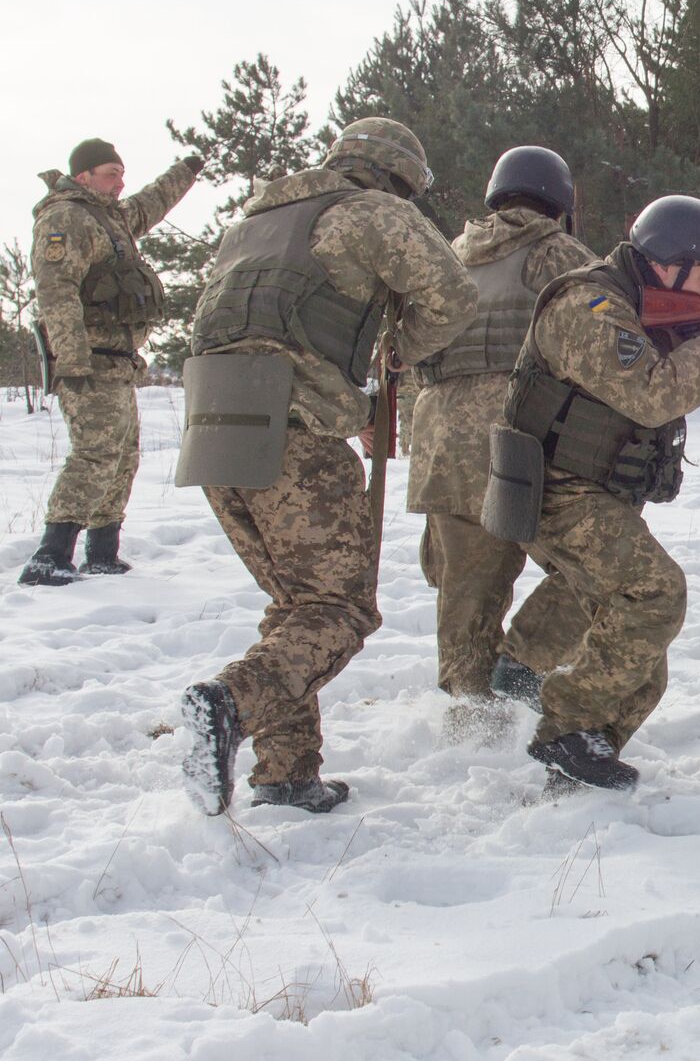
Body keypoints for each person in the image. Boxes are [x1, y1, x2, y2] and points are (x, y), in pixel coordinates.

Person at [176, 117, 476, 815]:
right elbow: (454, 296)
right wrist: (401, 351)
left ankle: (285, 772)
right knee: (340, 609)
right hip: (294, 431)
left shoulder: (254, 218)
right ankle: (228, 704)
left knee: (296, 607)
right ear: (399, 177)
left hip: (214, 427)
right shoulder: (373, 211)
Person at [499, 195, 700, 790]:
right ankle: (564, 727)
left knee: (643, 670)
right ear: (668, 262)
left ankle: (579, 766)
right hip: (555, 488)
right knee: (655, 596)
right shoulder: (589, 306)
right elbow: (655, 395)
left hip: (595, 493)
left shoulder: (653, 312)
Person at [406, 147, 595, 719]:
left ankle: (468, 711)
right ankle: (526, 662)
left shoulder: (450, 254)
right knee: (594, 567)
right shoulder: (556, 250)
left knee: (467, 587)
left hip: (440, 438)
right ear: (558, 200)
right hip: (519, 435)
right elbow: (603, 329)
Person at [18, 139, 201, 585]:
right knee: (95, 454)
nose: (121, 182)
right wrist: (73, 361)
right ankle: (50, 555)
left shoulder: (111, 218)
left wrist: (190, 167)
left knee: (122, 458)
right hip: (90, 362)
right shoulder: (66, 218)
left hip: (119, 362)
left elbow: (153, 201)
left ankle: (102, 553)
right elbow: (55, 291)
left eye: (122, 173)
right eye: (111, 173)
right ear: (83, 177)